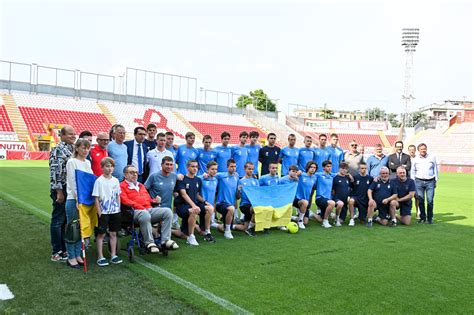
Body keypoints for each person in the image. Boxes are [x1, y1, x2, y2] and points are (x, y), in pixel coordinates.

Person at [120, 165, 179, 253]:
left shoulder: (140, 185)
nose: (135, 174)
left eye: (136, 172)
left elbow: (147, 199)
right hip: (133, 212)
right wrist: (141, 207)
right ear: (125, 175)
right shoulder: (121, 186)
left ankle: (165, 240)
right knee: (145, 214)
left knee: (167, 211)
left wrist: (154, 201)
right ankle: (149, 243)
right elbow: (125, 201)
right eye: (131, 173)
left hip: (147, 209)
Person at [49, 125, 75, 262]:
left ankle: (64, 249)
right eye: (70, 134)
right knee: (58, 220)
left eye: (74, 134)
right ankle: (56, 251)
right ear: (62, 135)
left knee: (65, 220)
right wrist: (59, 192)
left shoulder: (72, 148)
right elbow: (55, 172)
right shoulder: (58, 150)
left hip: (69, 188)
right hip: (61, 188)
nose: (73, 136)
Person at [64, 139, 93, 268]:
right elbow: (72, 182)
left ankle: (77, 254)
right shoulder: (72, 162)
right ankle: (71, 256)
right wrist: (78, 198)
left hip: (85, 200)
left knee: (81, 229)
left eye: (87, 148)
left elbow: (89, 181)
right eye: (83, 147)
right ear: (77, 148)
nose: (86, 150)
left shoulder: (87, 162)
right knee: (72, 229)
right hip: (74, 199)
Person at [175, 160, 216, 246]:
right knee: (194, 211)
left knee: (210, 208)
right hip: (182, 206)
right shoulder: (182, 179)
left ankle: (207, 232)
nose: (195, 168)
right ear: (187, 167)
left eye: (196, 167)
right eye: (192, 166)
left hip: (192, 206)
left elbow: (197, 195)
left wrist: (205, 202)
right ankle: (191, 237)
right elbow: (183, 194)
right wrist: (194, 205)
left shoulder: (198, 180)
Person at [92, 157, 122, 266]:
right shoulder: (99, 181)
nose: (109, 169)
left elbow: (118, 195)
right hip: (104, 212)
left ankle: (113, 255)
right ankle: (100, 256)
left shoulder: (115, 180)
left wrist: (118, 208)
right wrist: (99, 212)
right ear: (102, 167)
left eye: (111, 166)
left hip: (114, 211)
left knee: (113, 233)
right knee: (101, 234)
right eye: (107, 166)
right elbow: (96, 197)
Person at [410, 143, 439, 224]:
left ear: (426, 149)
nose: (423, 150)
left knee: (430, 201)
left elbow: (435, 169)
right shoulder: (415, 159)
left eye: (424, 149)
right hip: (419, 181)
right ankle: (422, 218)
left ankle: (430, 218)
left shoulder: (432, 157)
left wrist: (436, 180)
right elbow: (412, 171)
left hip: (430, 181)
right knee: (421, 200)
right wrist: (413, 182)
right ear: (418, 150)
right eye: (421, 149)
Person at [215, 159, 239, 239]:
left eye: (235, 166)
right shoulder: (221, 175)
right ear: (227, 167)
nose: (233, 168)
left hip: (231, 204)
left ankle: (216, 225)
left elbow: (236, 192)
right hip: (221, 203)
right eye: (231, 166)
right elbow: (211, 174)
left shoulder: (236, 176)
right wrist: (204, 175)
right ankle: (227, 232)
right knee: (231, 209)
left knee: (226, 226)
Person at [235, 162, 259, 236]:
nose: (251, 171)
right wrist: (238, 190)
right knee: (256, 209)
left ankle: (230, 227)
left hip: (254, 204)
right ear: (245, 169)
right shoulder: (241, 181)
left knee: (244, 228)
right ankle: (250, 229)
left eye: (252, 169)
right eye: (249, 169)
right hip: (245, 205)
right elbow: (238, 197)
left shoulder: (256, 181)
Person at [294, 162, 317, 229]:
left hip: (306, 201)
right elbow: (293, 178)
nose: (313, 169)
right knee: (305, 202)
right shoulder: (301, 175)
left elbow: (313, 189)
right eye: (311, 167)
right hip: (296, 199)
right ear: (308, 168)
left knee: (306, 222)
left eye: (314, 168)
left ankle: (293, 218)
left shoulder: (314, 178)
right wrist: (296, 174)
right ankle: (300, 221)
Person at [315, 160, 337, 228]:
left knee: (320, 219)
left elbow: (340, 173)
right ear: (323, 167)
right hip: (320, 198)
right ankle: (325, 221)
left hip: (327, 199)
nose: (329, 168)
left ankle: (312, 214)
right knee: (332, 203)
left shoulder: (332, 175)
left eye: (330, 166)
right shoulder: (318, 175)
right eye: (327, 166)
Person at [332, 162, 355, 226]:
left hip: (345, 201)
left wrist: (352, 179)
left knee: (342, 221)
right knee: (340, 204)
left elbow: (353, 186)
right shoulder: (335, 178)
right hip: (337, 199)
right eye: (343, 168)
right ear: (339, 169)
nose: (344, 170)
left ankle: (334, 216)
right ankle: (336, 219)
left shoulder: (347, 178)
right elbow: (332, 189)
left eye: (346, 169)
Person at [199, 161, 219, 228]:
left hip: (211, 206)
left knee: (205, 227)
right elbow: (194, 178)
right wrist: (202, 176)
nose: (214, 171)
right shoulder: (202, 178)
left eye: (216, 169)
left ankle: (211, 222)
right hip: (202, 204)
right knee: (202, 230)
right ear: (207, 169)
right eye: (212, 169)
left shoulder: (216, 180)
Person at [407, 144, 420, 219]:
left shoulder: (418, 158)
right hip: (407, 180)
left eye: (413, 149)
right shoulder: (406, 158)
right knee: (408, 197)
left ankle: (418, 212)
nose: (412, 151)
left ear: (415, 150)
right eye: (410, 149)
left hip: (416, 180)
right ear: (408, 150)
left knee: (417, 197)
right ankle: (408, 212)